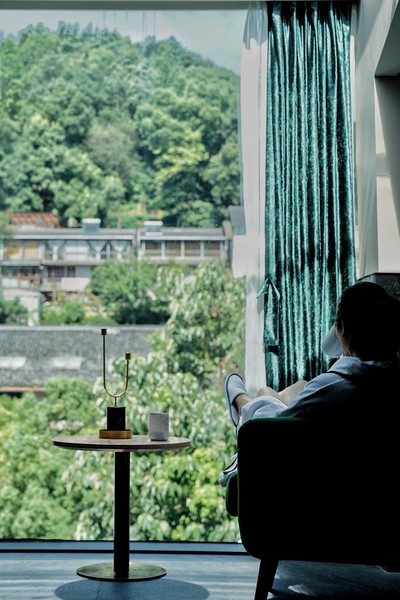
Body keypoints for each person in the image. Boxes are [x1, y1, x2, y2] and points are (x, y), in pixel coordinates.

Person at [219, 281, 400, 486]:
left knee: (265, 393)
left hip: (308, 473)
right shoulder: (385, 383)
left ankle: (241, 403)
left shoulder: (330, 388)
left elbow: (267, 431)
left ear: (341, 328)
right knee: (300, 385)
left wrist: (258, 404)